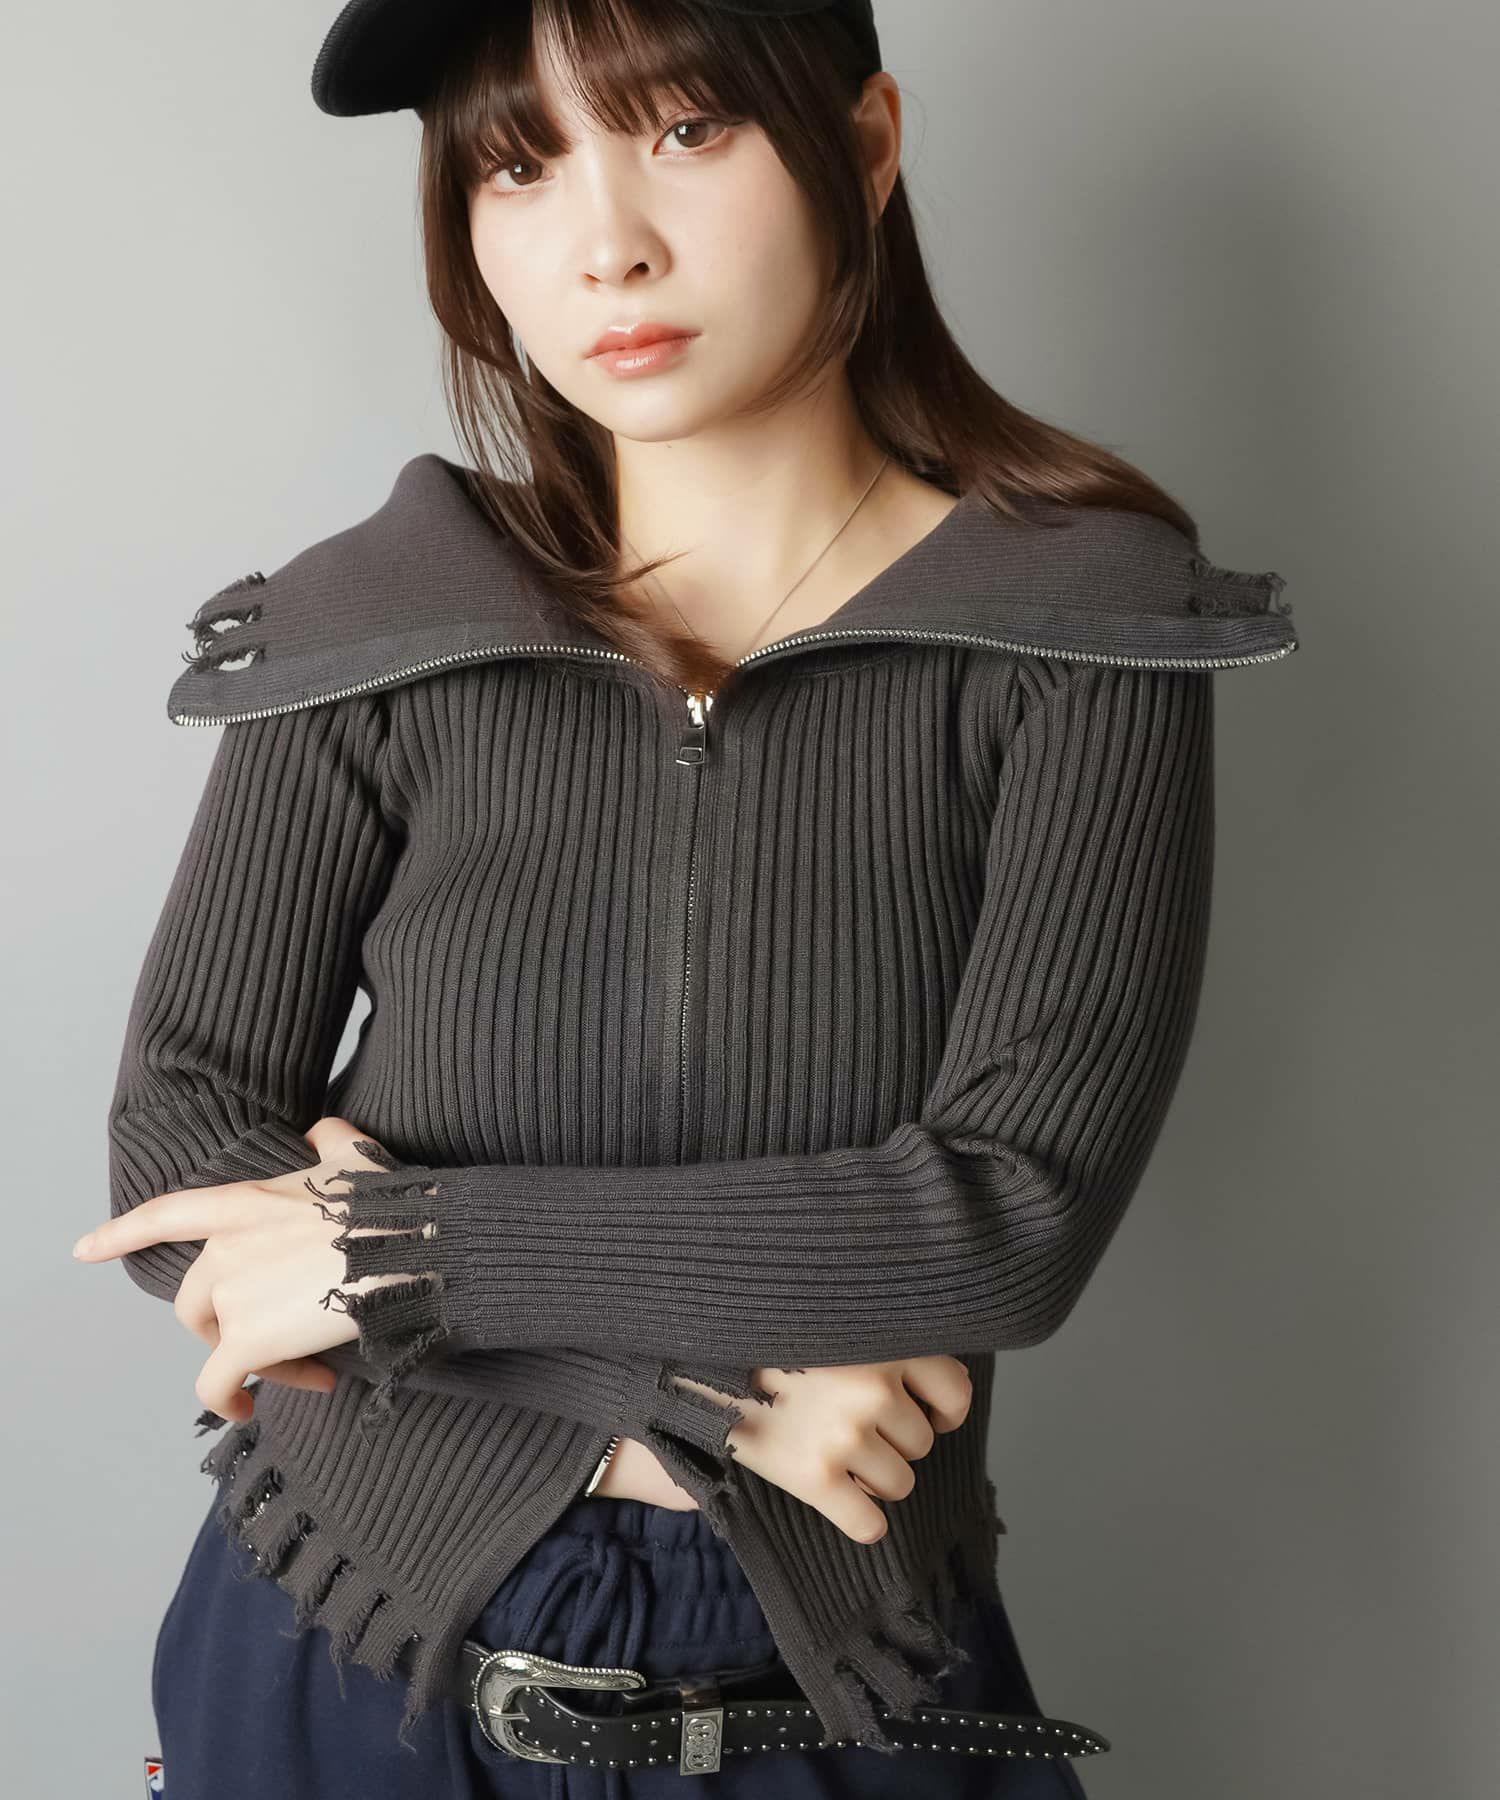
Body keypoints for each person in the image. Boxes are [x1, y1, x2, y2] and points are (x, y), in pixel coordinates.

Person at [78, 0, 1299, 1793]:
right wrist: (685, 1394)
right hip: (336, 1649)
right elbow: (180, 1158)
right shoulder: (377, 619)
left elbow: (1001, 1219)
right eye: (519, 164)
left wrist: (388, 1250)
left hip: (831, 1677)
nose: (608, 243)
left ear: (863, 148)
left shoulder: (1085, 630)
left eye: (687, 130)